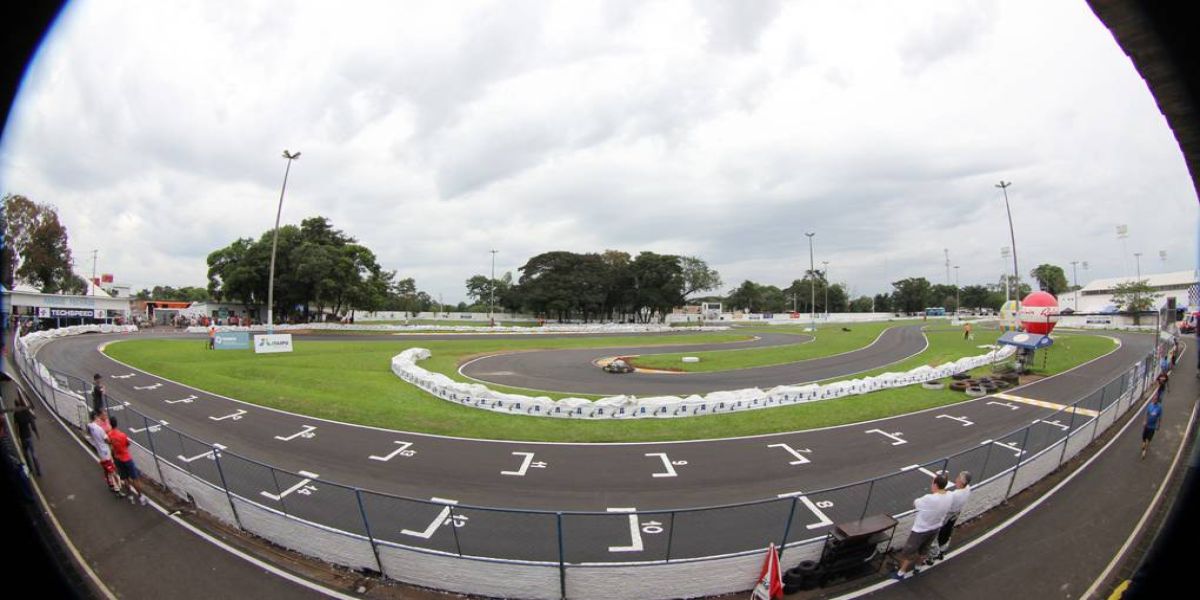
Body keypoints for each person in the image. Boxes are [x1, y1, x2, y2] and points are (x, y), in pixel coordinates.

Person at [892, 473, 952, 580]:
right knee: (924, 549)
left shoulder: (929, 498)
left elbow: (916, 503)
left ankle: (901, 572)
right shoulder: (949, 496)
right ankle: (918, 567)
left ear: (935, 485)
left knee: (908, 552)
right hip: (935, 528)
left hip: (920, 530)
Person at [927, 471, 972, 563]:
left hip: (947, 515)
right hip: (955, 514)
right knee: (947, 531)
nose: (956, 478)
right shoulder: (967, 488)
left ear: (961, 482)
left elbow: (941, 496)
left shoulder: (954, 495)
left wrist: (941, 482)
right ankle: (942, 550)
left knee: (936, 533)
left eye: (958, 477)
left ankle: (932, 556)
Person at [106, 417, 147, 505]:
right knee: (135, 479)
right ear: (116, 424)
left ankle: (130, 496)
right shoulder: (122, 435)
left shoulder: (109, 435)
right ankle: (141, 497)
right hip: (126, 458)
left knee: (125, 479)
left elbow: (109, 442)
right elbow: (127, 444)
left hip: (117, 458)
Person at [86, 411, 121, 493]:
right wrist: (111, 441)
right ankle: (117, 487)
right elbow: (107, 440)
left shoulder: (90, 426)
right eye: (98, 417)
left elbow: (88, 431)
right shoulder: (99, 429)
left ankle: (110, 483)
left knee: (106, 469)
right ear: (95, 417)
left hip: (100, 451)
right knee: (112, 470)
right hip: (105, 451)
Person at [11, 392, 41, 477]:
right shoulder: (25, 411)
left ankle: (30, 470)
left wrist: (17, 438)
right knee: (33, 454)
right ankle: (38, 471)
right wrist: (36, 433)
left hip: (23, 437)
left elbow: (16, 427)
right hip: (29, 436)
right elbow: (31, 422)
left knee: (26, 455)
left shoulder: (16, 414)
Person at [1141, 384, 1164, 459]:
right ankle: (1144, 446)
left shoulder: (1159, 408)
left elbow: (1160, 417)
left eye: (1155, 399)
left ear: (1157, 400)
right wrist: (1144, 421)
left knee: (1148, 439)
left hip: (1152, 426)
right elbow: (1146, 413)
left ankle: (1144, 451)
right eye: (1153, 399)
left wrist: (1159, 425)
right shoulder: (1150, 405)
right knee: (1144, 438)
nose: (1154, 400)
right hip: (1147, 425)